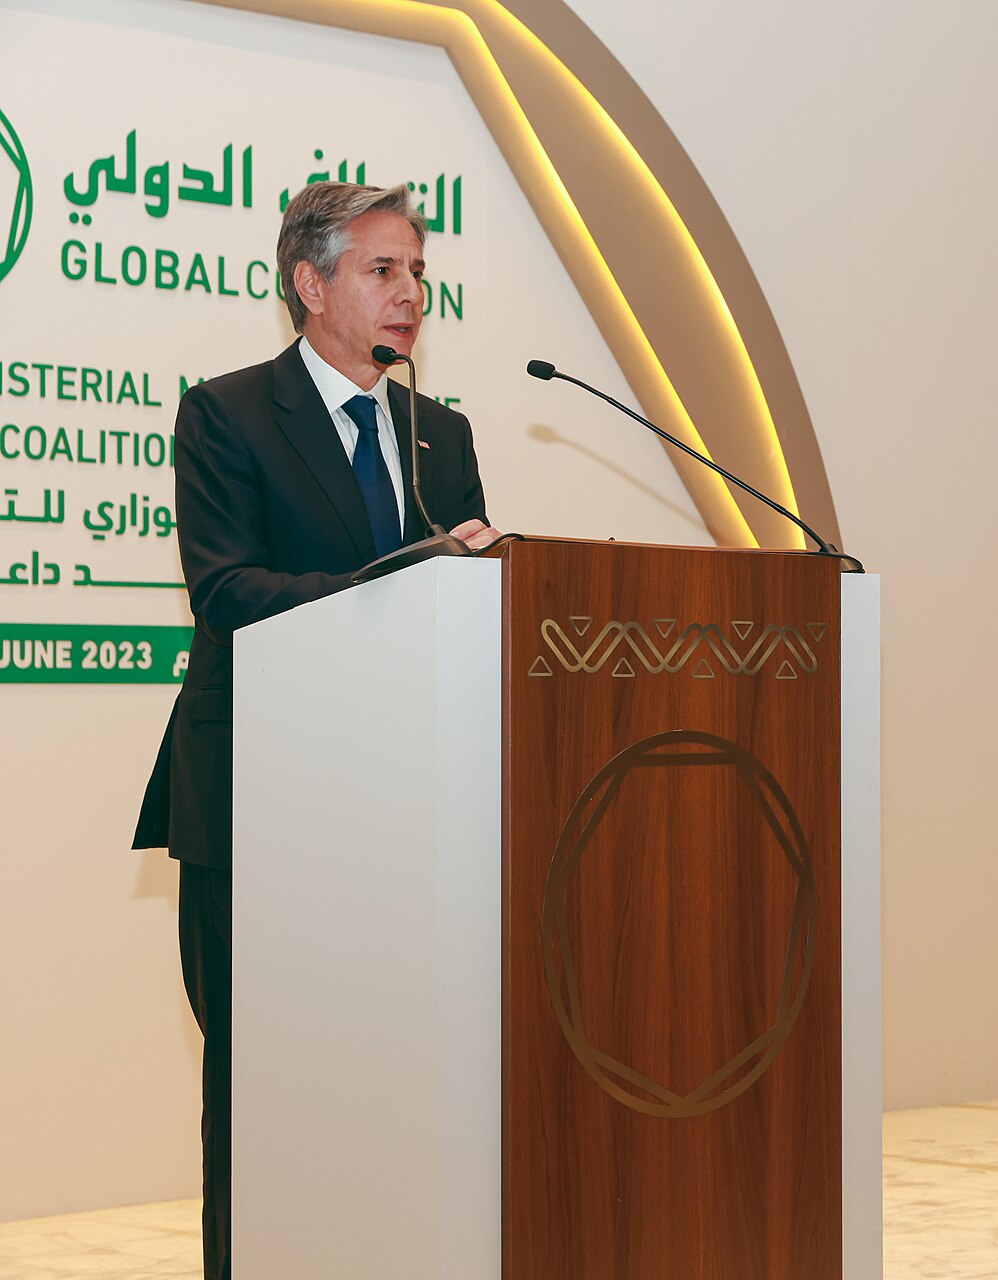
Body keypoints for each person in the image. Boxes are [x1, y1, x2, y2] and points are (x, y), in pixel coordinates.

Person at [130, 182, 501, 1279]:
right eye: (384, 271)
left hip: (406, 811)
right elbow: (228, 591)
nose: (411, 295)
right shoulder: (228, 412)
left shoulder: (444, 434)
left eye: (419, 273)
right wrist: (395, 583)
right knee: (259, 1085)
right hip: (256, 798)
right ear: (310, 283)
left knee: (390, 1082)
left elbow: (461, 617)